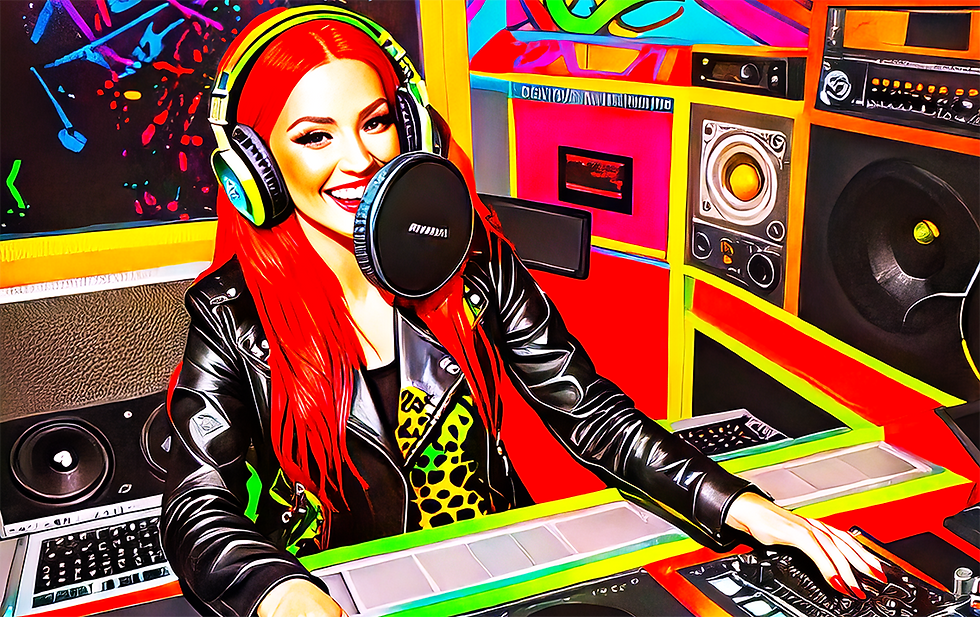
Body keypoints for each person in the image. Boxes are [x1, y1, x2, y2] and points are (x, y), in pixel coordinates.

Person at [161, 7, 886, 617]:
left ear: (410, 129)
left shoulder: (470, 262)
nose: (358, 159)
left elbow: (591, 413)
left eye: (375, 123)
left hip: (496, 572)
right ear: (255, 166)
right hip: (337, 592)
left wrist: (743, 506)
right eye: (315, 136)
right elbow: (198, 505)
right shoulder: (230, 313)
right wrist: (285, 595)